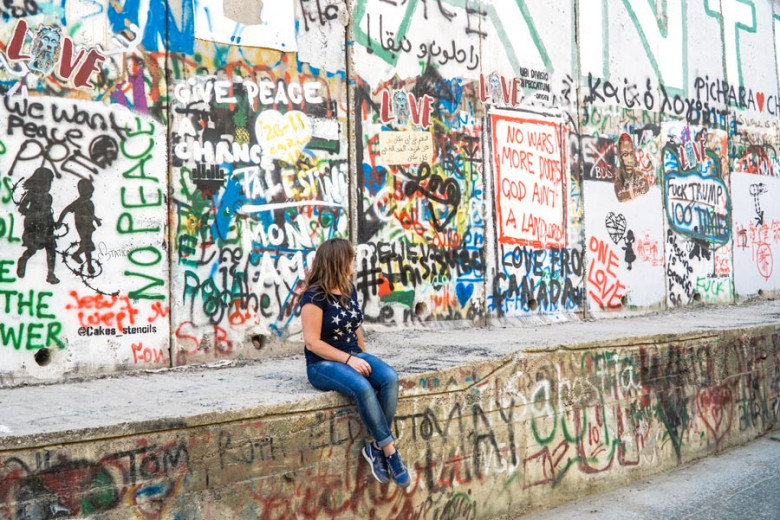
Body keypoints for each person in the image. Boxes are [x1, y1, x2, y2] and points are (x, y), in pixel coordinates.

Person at [300, 238, 410, 488]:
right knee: (362, 387)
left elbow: (355, 326)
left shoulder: (349, 288)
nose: (354, 263)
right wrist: (349, 360)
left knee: (389, 378)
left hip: (352, 354)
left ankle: (374, 447)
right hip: (322, 364)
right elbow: (312, 343)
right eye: (351, 258)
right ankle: (390, 451)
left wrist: (363, 356)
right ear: (339, 261)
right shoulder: (314, 296)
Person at [17, 167, 59, 284]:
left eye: (49, 183)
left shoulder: (49, 197)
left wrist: (53, 223)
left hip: (47, 226)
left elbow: (49, 212)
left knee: (51, 250)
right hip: (34, 226)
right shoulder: (31, 195)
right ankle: (23, 261)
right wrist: (33, 215)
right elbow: (22, 208)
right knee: (32, 249)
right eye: (45, 183)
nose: (47, 186)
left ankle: (51, 274)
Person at [57, 179, 102, 275]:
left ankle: (88, 264)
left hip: (88, 225)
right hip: (82, 226)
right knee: (87, 244)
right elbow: (66, 210)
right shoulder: (79, 202)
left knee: (87, 245)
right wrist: (60, 221)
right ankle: (81, 258)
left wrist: (96, 220)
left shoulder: (89, 202)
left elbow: (90, 214)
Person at [614, 133, 649, 202]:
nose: (629, 159)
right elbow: (620, 197)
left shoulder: (641, 175)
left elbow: (646, 189)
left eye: (631, 153)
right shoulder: (618, 178)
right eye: (625, 154)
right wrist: (636, 191)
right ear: (620, 157)